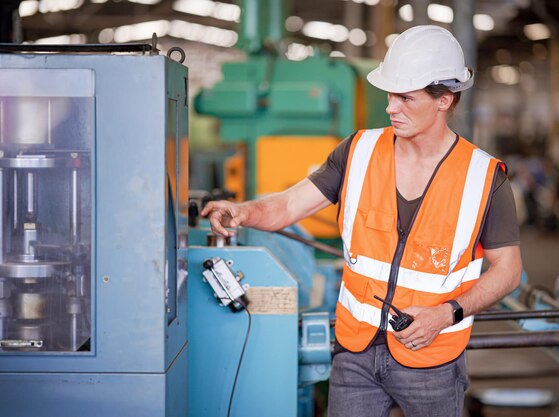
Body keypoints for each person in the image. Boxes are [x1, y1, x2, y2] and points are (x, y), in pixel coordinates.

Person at [202, 25, 522, 417]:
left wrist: (446, 313)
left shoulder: (484, 177)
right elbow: (288, 206)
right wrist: (244, 211)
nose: (391, 107)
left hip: (433, 358)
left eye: (405, 97)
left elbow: (508, 270)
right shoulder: (358, 151)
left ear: (444, 99)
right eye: (389, 95)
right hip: (354, 353)